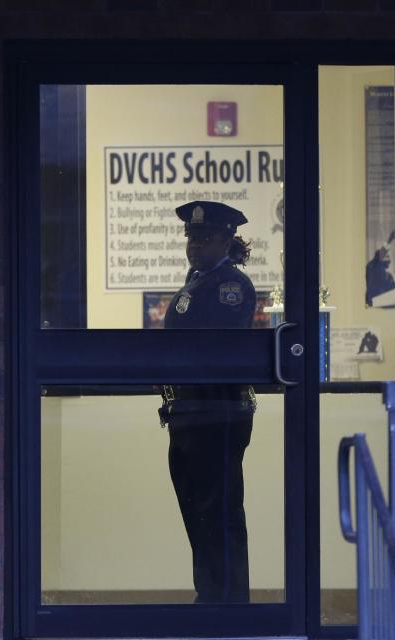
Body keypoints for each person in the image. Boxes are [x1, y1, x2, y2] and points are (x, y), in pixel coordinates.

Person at [158, 200, 257, 603]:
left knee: (218, 513)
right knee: (197, 512)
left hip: (217, 415)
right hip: (188, 415)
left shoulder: (230, 287)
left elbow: (208, 348)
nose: (194, 244)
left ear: (226, 240)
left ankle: (229, 604)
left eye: (204, 237)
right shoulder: (196, 280)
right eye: (191, 237)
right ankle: (210, 597)